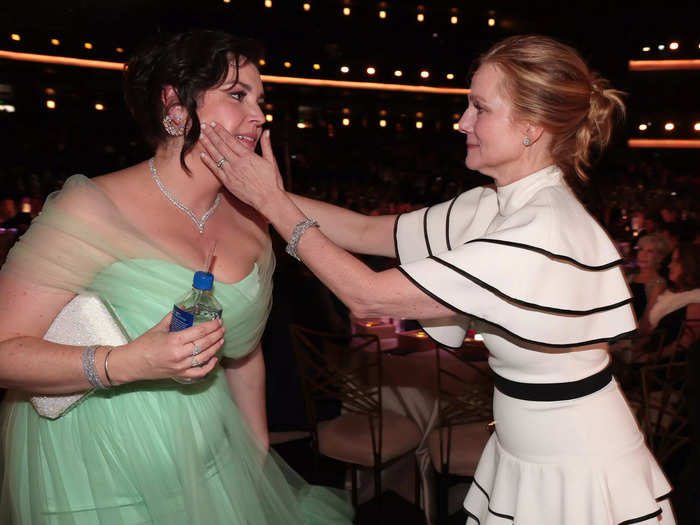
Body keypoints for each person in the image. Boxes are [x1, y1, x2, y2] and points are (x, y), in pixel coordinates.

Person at [199, 35, 675, 523]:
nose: (463, 122)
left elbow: (367, 297)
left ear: (531, 127)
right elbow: (366, 231)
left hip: (573, 467)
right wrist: (261, 192)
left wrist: (272, 203)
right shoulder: (496, 203)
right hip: (525, 447)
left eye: (479, 109)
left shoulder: (540, 228)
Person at [0, 29, 352, 525]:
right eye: (237, 95)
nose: (258, 114)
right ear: (176, 105)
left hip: (210, 471)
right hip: (93, 480)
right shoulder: (92, 207)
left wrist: (253, 453)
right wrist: (123, 362)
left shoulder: (252, 220)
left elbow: (242, 353)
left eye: (260, 99)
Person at [645, 243, 700, 358]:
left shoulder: (696, 300)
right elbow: (649, 327)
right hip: (649, 353)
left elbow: (686, 344)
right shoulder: (671, 292)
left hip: (664, 366)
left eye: (676, 261)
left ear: (689, 265)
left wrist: (648, 357)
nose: (669, 266)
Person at [628, 233, 670, 320]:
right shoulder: (629, 278)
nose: (643, 255)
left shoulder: (659, 284)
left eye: (650, 251)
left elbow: (648, 320)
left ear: (659, 257)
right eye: (641, 250)